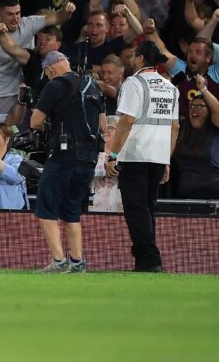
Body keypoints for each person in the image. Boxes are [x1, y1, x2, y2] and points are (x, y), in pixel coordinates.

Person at [105, 41, 180, 272]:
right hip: (158, 155)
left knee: (136, 209)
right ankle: (145, 260)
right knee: (147, 208)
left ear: (139, 58)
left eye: (133, 56)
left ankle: (150, 259)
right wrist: (166, 159)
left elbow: (126, 121)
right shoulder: (171, 87)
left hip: (135, 154)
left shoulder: (133, 83)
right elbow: (175, 127)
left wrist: (113, 154)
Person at [31, 51, 106, 273]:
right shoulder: (93, 85)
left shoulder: (55, 86)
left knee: (46, 206)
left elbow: (35, 122)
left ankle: (58, 260)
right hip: (89, 160)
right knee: (72, 209)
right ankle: (77, 261)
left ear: (51, 70)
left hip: (64, 156)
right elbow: (102, 126)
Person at [171, 77, 219, 199]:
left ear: (209, 112)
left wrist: (203, 89)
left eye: (200, 106)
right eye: (192, 106)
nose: (194, 109)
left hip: (212, 193)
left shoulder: (214, 129)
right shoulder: (182, 128)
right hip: (184, 195)